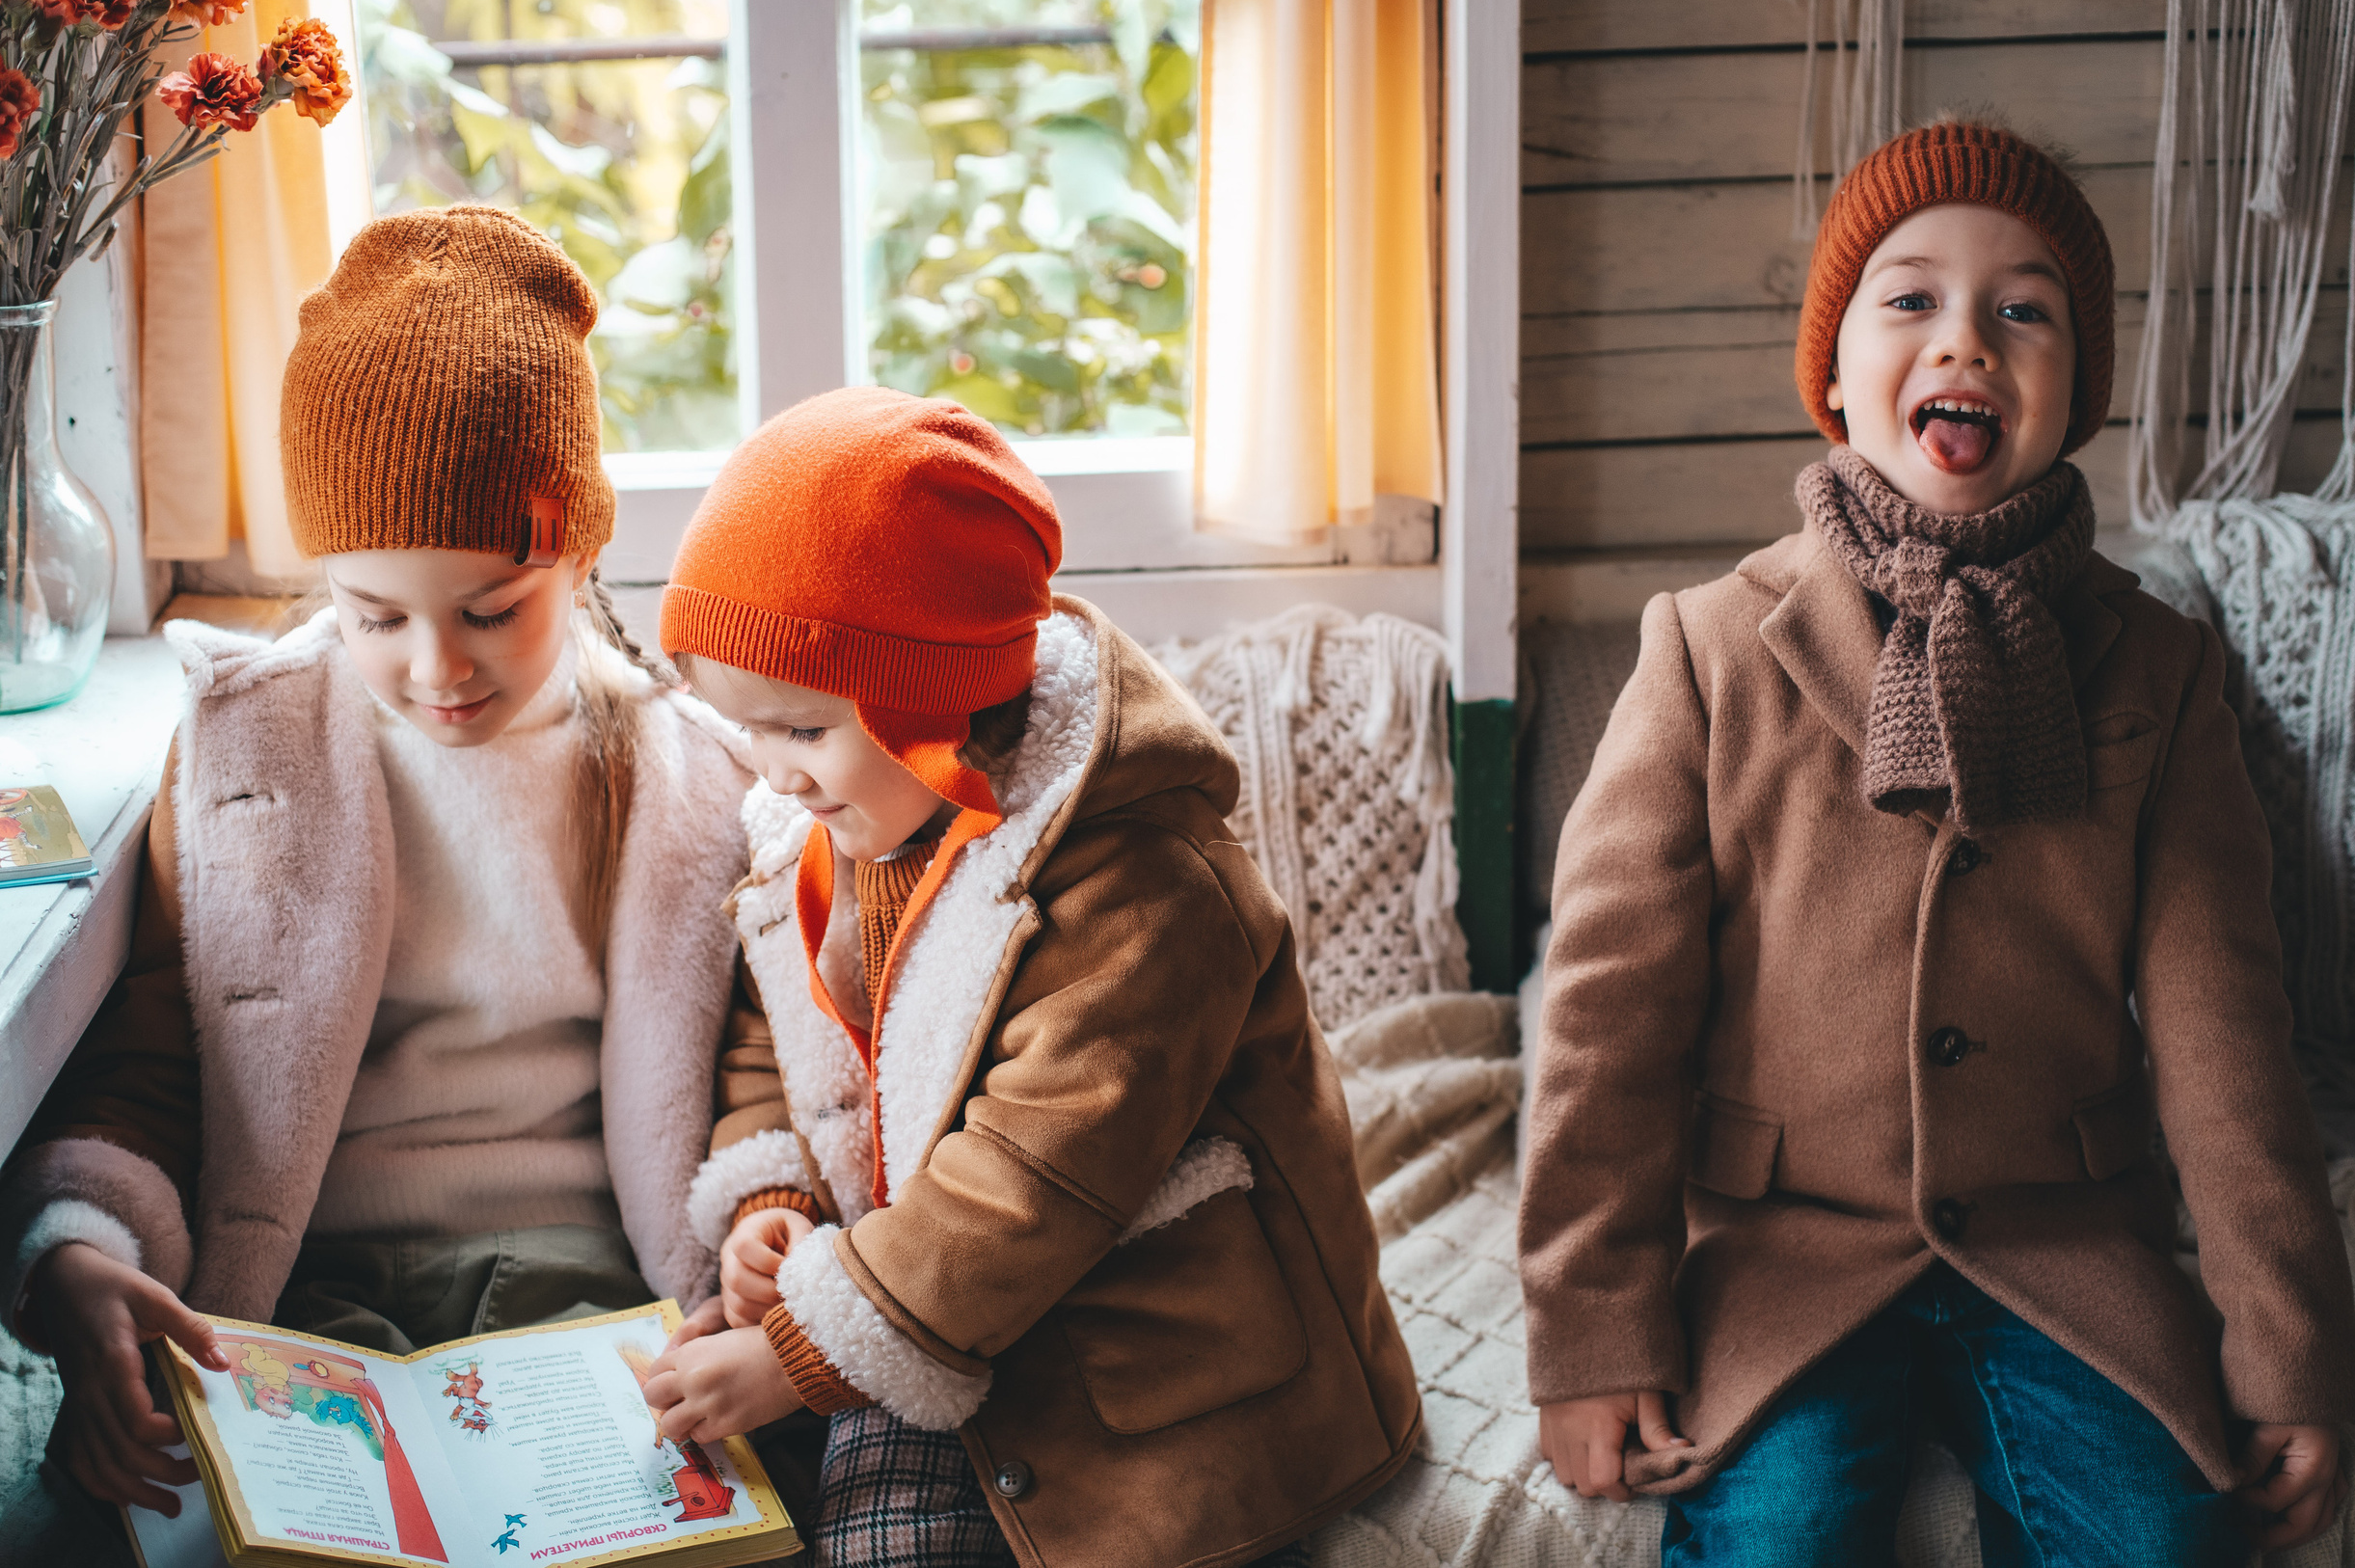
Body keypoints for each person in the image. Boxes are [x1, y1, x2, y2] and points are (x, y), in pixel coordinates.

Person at [1518, 121, 2355, 1565]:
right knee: (1771, 1541)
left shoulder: (2159, 671)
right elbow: (1607, 1021)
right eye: (1910, 299)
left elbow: (2229, 1036)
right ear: (1835, 379)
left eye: (2023, 309)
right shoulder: (1708, 649)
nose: (1967, 338)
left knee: (2165, 1539)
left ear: (2073, 389)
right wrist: (1590, 1327)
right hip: (1784, 1253)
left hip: (2064, 1246)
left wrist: (2290, 1347)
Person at [0, 206, 754, 1539]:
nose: (438, 668)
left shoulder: (682, 771)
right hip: (304, 1284)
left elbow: (759, 1055)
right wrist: (83, 1248)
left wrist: (764, 1218)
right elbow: (164, 1042)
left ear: (579, 551)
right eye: (376, 615)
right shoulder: (249, 750)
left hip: (591, 1289)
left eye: (492, 608)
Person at [633, 387, 1421, 1566]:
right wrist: (773, 1200)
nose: (773, 773)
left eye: (801, 730)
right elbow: (771, 1035)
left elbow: (1033, 1177)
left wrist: (803, 1356)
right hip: (913, 1299)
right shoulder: (825, 828)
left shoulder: (1146, 891)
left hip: (1148, 1360)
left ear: (939, 707)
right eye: (746, 729)